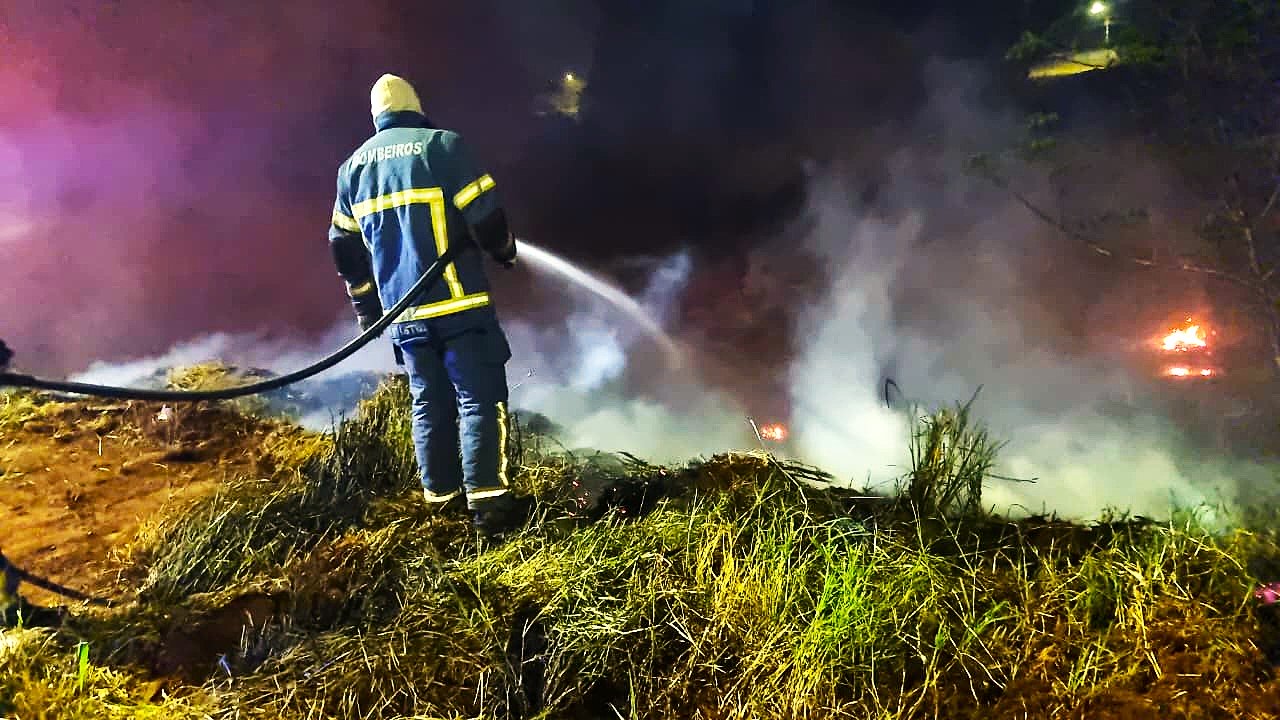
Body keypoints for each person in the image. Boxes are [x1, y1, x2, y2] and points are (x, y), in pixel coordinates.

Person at [328, 74, 530, 538]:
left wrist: (365, 306)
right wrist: (504, 253)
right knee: (479, 398)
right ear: (417, 109)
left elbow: (344, 248)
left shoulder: (352, 169)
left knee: (428, 405)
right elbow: (487, 217)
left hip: (405, 316)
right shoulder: (442, 146)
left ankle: (440, 504)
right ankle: (490, 506)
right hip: (460, 304)